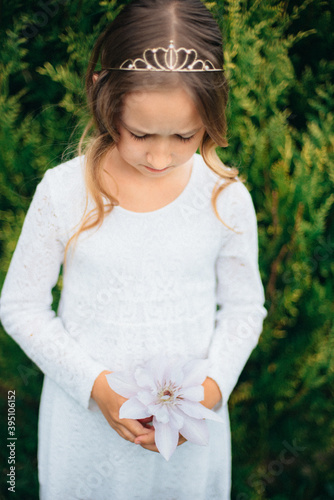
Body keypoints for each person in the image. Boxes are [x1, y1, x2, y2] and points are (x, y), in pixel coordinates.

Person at [0, 0, 267, 498]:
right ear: (107, 100)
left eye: (184, 136)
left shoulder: (225, 197)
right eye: (141, 134)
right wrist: (98, 387)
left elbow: (244, 307)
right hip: (86, 431)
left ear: (211, 113)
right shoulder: (64, 191)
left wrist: (209, 392)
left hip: (191, 434)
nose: (160, 156)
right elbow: (21, 306)